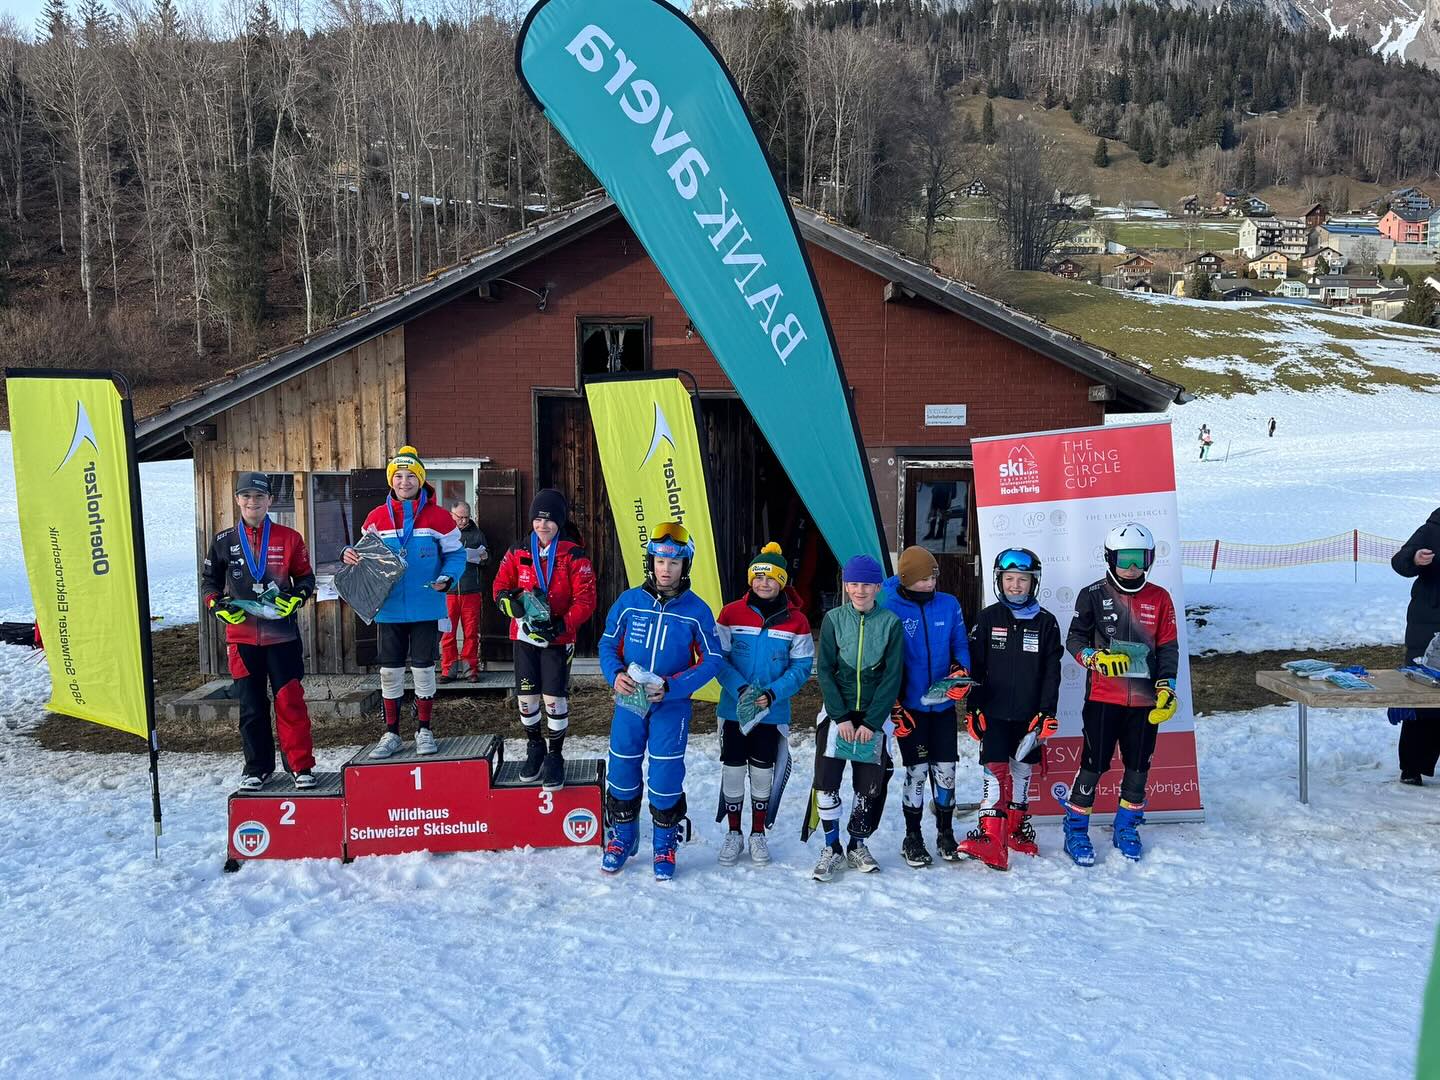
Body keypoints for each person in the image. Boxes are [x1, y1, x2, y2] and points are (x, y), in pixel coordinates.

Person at [598, 522, 722, 880]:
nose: (665, 569)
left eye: (674, 563)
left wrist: (673, 686)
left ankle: (665, 843)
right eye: (659, 561)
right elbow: (607, 644)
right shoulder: (629, 602)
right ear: (650, 563)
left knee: (665, 776)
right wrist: (614, 674)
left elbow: (712, 660)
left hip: (670, 705)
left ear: (686, 566)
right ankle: (623, 835)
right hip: (629, 703)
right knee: (621, 769)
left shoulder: (696, 610)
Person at [1060, 522, 1179, 865]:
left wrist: (1166, 686)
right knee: (1094, 764)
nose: (1131, 567)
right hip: (1102, 698)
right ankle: (1076, 827)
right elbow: (1075, 639)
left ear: (1150, 559)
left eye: (1139, 559)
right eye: (1124, 559)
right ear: (1109, 558)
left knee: (1139, 765)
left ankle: (1127, 826)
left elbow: (1168, 647)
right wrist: (1093, 658)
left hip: (1144, 701)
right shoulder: (1093, 593)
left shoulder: (1160, 597)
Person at [343, 447, 465, 759]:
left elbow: (456, 554)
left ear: (421, 480)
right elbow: (365, 557)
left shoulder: (439, 517)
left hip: (427, 603)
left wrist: (448, 578)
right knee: (390, 671)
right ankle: (391, 733)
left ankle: (425, 729)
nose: (404, 481)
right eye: (398, 476)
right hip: (389, 606)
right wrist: (350, 555)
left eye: (411, 476)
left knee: (424, 669)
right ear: (391, 481)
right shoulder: (375, 518)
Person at [201, 472, 317, 790]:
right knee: (251, 706)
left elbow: (306, 579)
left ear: (269, 500)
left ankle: (300, 766)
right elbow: (209, 583)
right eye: (246, 496)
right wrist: (216, 605)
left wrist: (296, 597)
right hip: (242, 639)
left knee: (290, 701)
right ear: (238, 500)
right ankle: (256, 768)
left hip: (283, 637)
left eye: (259, 496)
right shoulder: (223, 541)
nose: (253, 502)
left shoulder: (290, 538)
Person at [958, 548, 1064, 870]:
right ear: (999, 581)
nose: (1015, 585)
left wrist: (1047, 713)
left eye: (1022, 580)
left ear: (1033, 583)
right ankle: (992, 838)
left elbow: (1051, 673)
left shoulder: (1046, 623)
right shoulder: (988, 618)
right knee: (994, 771)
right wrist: (972, 708)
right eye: (1009, 579)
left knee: (1021, 771)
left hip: (1030, 716)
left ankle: (1017, 830)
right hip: (994, 712)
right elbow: (975, 667)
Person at [804, 554, 905, 882]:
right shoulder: (834, 619)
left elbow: (892, 677)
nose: (859, 590)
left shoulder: (890, 623)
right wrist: (841, 716)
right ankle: (831, 847)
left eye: (866, 584)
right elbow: (826, 671)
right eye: (853, 584)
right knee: (827, 783)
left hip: (873, 721)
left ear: (877, 587)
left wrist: (873, 722)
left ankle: (857, 844)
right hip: (837, 717)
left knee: (869, 786)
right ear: (846, 586)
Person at [713, 543, 814, 867]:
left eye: (771, 578)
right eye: (758, 577)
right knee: (732, 770)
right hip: (734, 709)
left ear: (782, 581)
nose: (763, 583)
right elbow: (718, 659)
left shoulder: (797, 621)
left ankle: (757, 833)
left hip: (771, 712)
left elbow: (801, 667)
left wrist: (772, 693)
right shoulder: (731, 613)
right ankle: (734, 833)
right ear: (750, 579)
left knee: (761, 772)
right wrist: (739, 688)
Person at [492, 489, 597, 789]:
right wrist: (505, 601)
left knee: (554, 698)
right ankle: (534, 746)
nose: (542, 526)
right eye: (538, 519)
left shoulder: (574, 554)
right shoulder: (518, 551)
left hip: (558, 639)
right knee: (526, 699)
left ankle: (555, 755)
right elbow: (500, 585)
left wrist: (562, 625)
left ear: (560, 523)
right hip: (524, 636)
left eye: (549, 521)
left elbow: (586, 600)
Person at [878, 545, 970, 868]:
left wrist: (960, 672)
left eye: (933, 577)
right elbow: (884, 660)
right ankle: (912, 836)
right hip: (910, 708)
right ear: (906, 579)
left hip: (943, 707)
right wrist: (894, 704)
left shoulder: (949, 604)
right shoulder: (889, 606)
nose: (930, 583)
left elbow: (960, 643)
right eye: (922, 579)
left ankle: (946, 833)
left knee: (946, 772)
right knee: (916, 772)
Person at [1392, 507, 1440, 785]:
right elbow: (1399, 561)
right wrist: (1414, 558)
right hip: (1430, 624)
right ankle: (1412, 767)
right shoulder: (1433, 528)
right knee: (1424, 698)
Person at [439, 502, 489, 683]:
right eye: (460, 517)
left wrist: (483, 557)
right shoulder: (443, 534)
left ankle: (470, 670)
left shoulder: (477, 534)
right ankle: (448, 670)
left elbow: (487, 558)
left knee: (471, 632)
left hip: (471, 591)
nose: (463, 520)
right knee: (447, 632)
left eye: (466, 516)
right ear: (451, 515)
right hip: (449, 591)